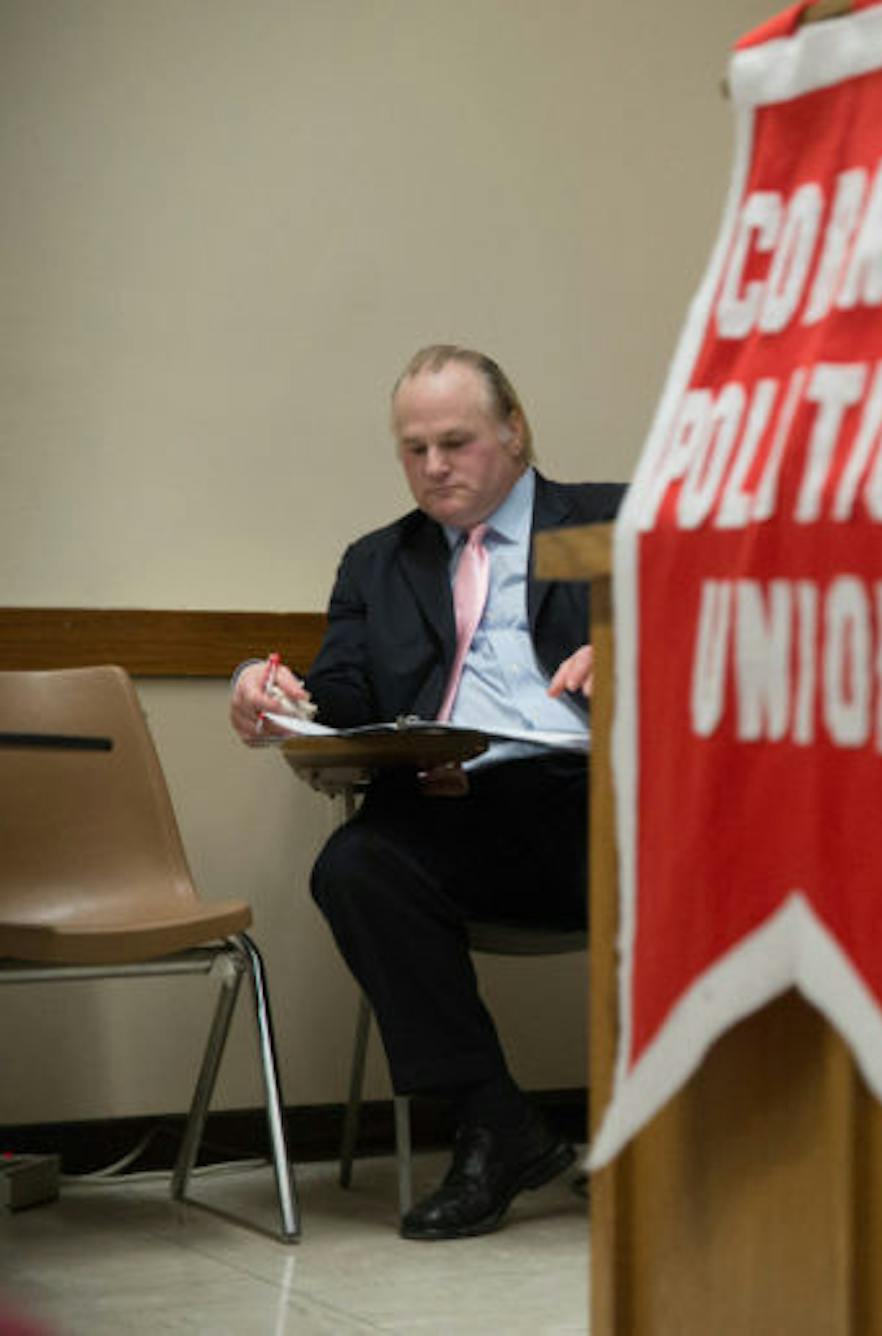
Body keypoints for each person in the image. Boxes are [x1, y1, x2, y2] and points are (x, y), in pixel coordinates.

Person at [229, 345, 625, 1239]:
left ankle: (667, 1124)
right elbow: (343, 701)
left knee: (711, 847)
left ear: (514, 433)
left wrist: (645, 642)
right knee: (357, 866)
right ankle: (496, 1123)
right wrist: (266, 688)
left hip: (605, 803)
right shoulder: (378, 563)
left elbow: (731, 623)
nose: (435, 466)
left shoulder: (611, 521)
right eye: (415, 449)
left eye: (457, 441)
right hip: (458, 806)